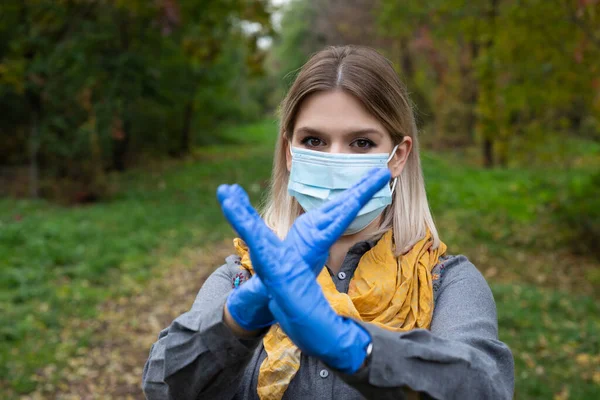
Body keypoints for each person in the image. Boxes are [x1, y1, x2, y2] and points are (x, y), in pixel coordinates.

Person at [142, 45, 514, 400]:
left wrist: (356, 349)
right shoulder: (242, 278)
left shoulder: (444, 282)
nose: (335, 160)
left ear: (398, 156)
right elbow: (162, 388)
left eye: (362, 143)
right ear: (290, 152)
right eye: (315, 140)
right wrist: (235, 322)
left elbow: (487, 388)